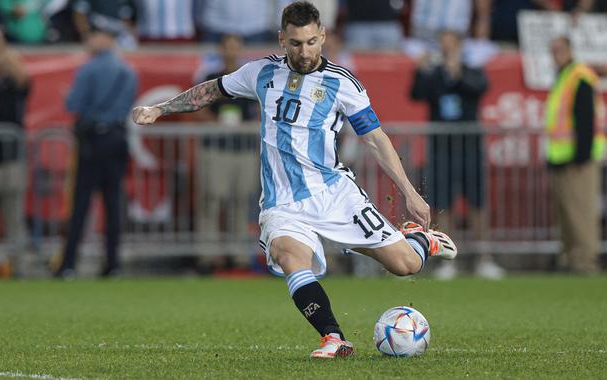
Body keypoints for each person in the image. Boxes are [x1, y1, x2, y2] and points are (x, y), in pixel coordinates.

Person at [133, 1, 457, 358]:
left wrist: (409, 193)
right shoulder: (260, 73)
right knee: (290, 257)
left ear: (323, 37)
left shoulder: (342, 83)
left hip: (334, 193)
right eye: (295, 44)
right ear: (281, 39)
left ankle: (420, 241)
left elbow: (376, 139)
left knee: (405, 266)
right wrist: (160, 109)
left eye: (311, 42)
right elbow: (211, 91)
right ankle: (333, 337)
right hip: (282, 201)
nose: (304, 52)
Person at [410, 30, 504, 280]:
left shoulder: (471, 70)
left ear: (460, 47)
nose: (447, 50)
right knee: (443, 204)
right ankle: (447, 260)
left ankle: (484, 258)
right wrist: (420, 70)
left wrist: (457, 73)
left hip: (469, 148)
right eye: (444, 46)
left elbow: (480, 88)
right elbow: (416, 94)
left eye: (451, 46)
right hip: (442, 149)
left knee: (477, 202)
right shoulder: (434, 73)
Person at [55, 23, 138, 279]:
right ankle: (112, 265)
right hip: (116, 138)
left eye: (91, 35)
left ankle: (68, 264)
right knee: (113, 205)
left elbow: (73, 104)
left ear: (103, 38)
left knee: (81, 204)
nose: (87, 40)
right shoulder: (128, 72)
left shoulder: (88, 69)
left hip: (93, 141)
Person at [194, 34, 260, 269]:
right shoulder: (210, 78)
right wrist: (213, 122)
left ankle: (238, 255)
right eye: (227, 47)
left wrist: (251, 126)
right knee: (211, 200)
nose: (231, 51)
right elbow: (197, 107)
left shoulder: (249, 79)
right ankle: (207, 255)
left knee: (241, 202)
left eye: (236, 47)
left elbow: (262, 108)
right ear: (220, 50)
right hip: (216, 147)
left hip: (242, 148)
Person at [545, 36, 604, 274]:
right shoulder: (566, 76)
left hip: (578, 159)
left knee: (581, 212)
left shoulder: (578, 77)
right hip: (562, 158)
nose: (555, 54)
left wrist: (581, 156)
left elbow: (586, 120)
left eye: (559, 50)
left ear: (570, 50)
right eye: (553, 50)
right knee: (567, 214)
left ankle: (586, 261)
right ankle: (570, 258)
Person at [0, 27, 29, 276]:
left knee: (14, 217)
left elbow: (24, 82)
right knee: (13, 218)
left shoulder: (13, 78)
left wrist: (6, 55)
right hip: (6, 157)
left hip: (11, 158)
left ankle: (18, 267)